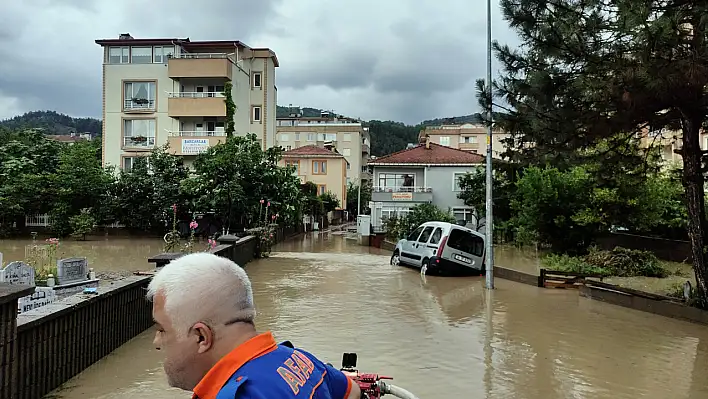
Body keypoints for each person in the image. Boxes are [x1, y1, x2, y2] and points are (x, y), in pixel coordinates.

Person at [147, 252, 361, 399]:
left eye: (162, 330)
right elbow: (352, 391)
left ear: (201, 337)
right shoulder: (298, 360)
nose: (157, 342)